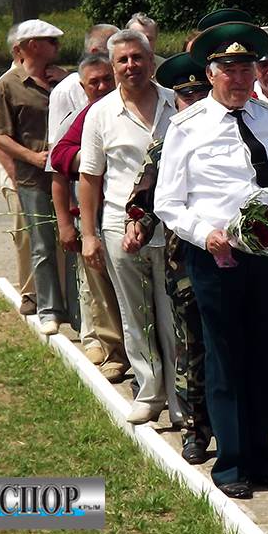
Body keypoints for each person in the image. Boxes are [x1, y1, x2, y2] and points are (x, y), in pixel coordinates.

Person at [154, 21, 268, 499]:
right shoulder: (187, 126)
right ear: (211, 73)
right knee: (225, 360)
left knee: (264, 358)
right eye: (230, 70)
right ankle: (231, 465)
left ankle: (263, 459)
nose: (240, 79)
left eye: (247, 69)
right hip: (216, 259)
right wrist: (205, 234)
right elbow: (168, 202)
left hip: (266, 257)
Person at [78, 29, 181, 425]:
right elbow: (90, 178)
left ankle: (179, 397)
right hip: (121, 229)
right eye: (122, 60)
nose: (131, 65)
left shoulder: (177, 103)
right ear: (112, 66)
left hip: (173, 227)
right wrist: (89, 235)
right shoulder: (101, 113)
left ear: (152, 60)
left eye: (138, 57)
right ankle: (149, 393)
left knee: (173, 315)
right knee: (136, 314)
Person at [123, 52, 213, 465]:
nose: (194, 101)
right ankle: (195, 430)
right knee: (191, 348)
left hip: (236, 260)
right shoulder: (165, 145)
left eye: (201, 93)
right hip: (185, 266)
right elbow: (143, 200)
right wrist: (137, 227)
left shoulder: (233, 133)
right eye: (186, 95)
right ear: (175, 100)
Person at [50, 53, 128, 383]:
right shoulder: (86, 116)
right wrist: (88, 155)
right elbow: (58, 158)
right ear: (83, 88)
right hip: (97, 217)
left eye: (107, 79)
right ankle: (115, 354)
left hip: (140, 216)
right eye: (93, 82)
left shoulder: (137, 104)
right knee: (102, 290)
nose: (102, 86)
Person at [0, 19, 68, 335]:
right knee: (42, 245)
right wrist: (31, 157)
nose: (58, 47)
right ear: (33, 45)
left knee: (71, 242)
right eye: (52, 41)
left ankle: (73, 306)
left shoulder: (63, 79)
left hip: (68, 176)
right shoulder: (8, 85)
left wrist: (69, 81)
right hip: (33, 179)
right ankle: (49, 309)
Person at [0, 24, 36, 316]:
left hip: (43, 178)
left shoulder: (45, 80)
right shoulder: (4, 85)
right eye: (36, 44)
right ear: (19, 50)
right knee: (26, 237)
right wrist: (19, 180)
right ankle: (30, 293)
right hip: (19, 179)